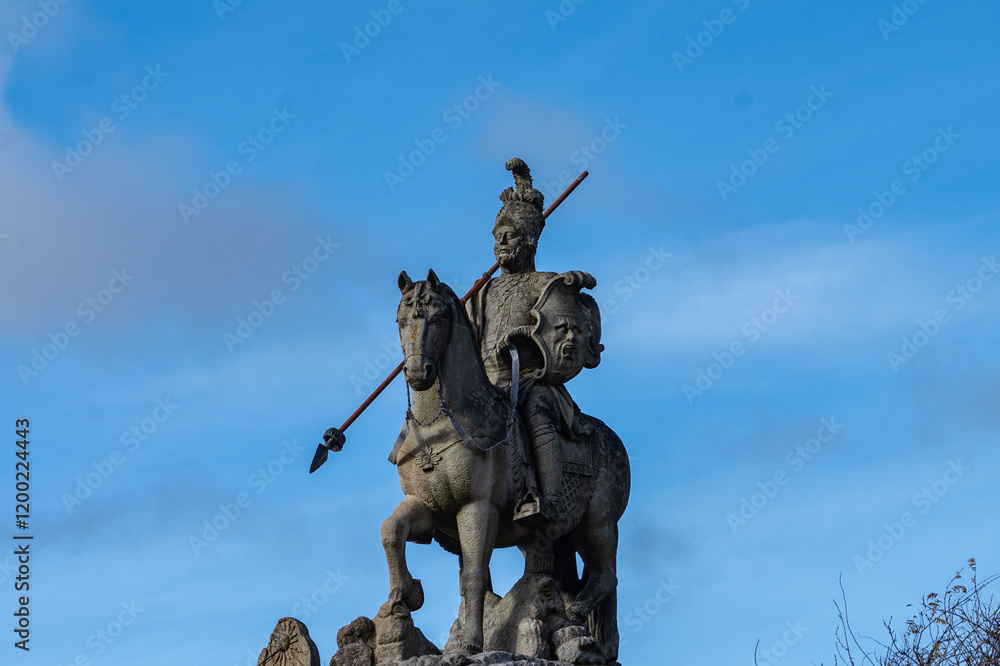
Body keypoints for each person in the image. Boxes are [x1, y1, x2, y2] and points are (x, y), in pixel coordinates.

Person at [466, 158, 603, 523]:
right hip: (485, 384)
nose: (500, 242)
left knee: (536, 409)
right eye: (497, 236)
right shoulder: (482, 292)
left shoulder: (545, 283)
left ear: (528, 239)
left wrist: (525, 335)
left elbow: (565, 327)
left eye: (509, 235)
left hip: (527, 380)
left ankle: (549, 498)